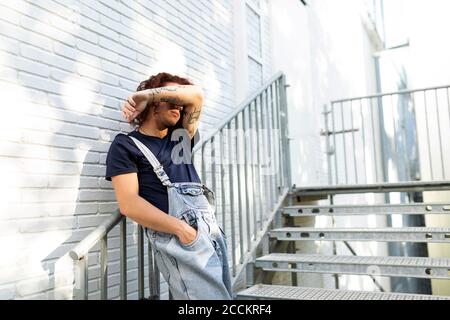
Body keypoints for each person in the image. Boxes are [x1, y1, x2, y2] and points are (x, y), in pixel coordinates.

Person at [105, 72, 232, 300]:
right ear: (153, 106)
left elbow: (196, 95)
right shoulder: (126, 146)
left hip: (210, 231)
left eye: (182, 104)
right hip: (180, 238)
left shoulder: (180, 138)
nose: (181, 107)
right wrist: (182, 230)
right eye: (173, 100)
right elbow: (129, 203)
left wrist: (147, 94)